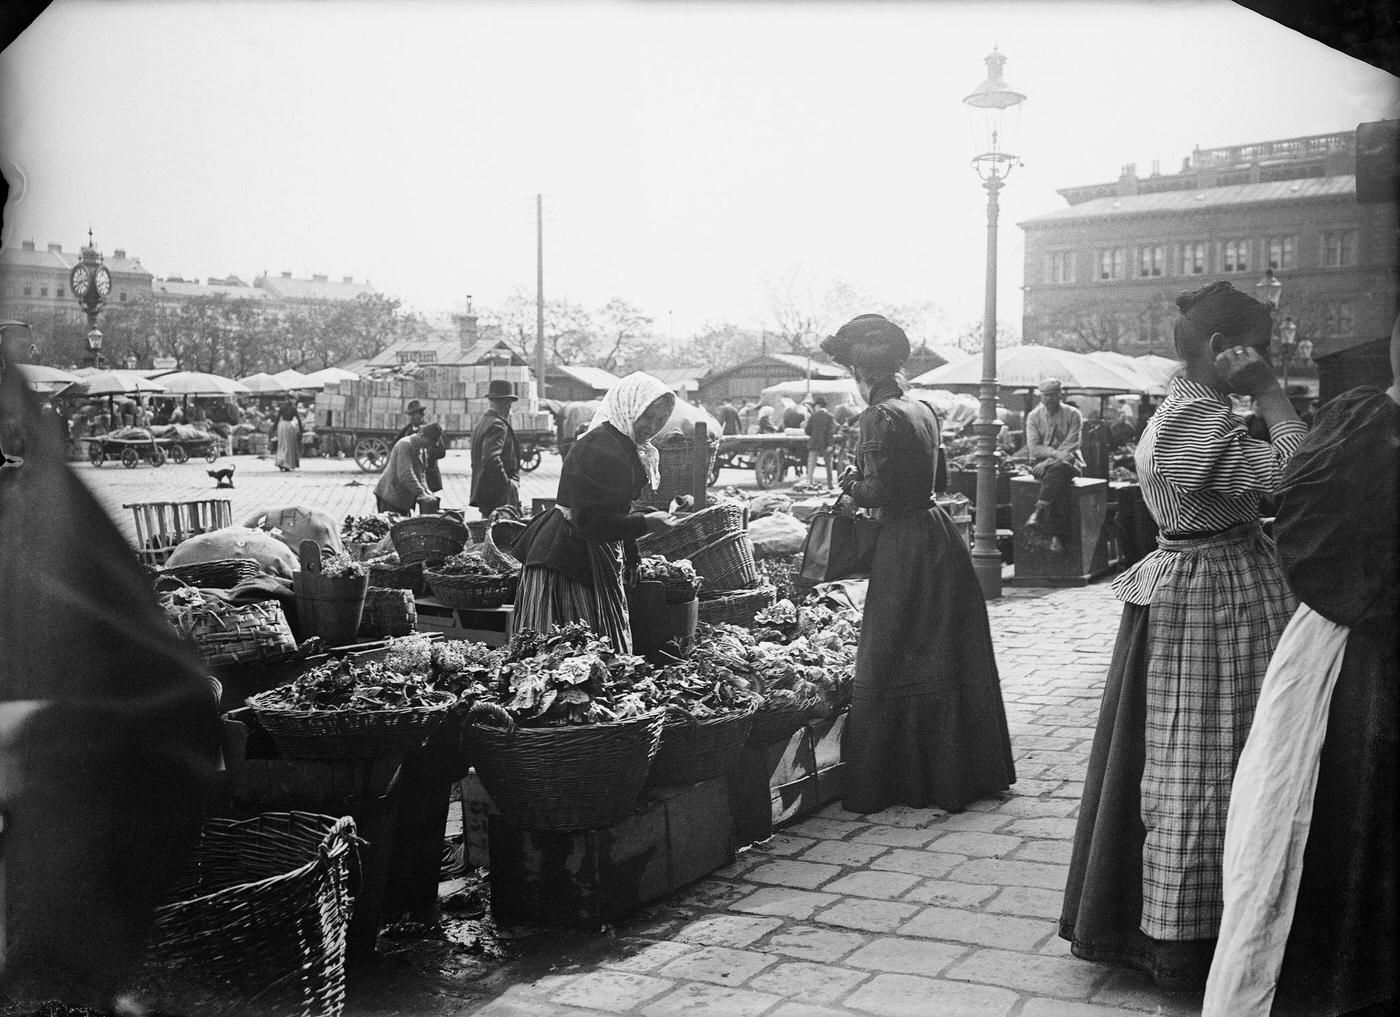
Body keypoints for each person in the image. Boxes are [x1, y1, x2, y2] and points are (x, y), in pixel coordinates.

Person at [1060, 280, 1307, 990]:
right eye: (1258, 344)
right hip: (1214, 593)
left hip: (1204, 579)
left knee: (1199, 752)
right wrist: (1273, 394)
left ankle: (1198, 917)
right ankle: (1196, 932)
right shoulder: (1197, 421)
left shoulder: (1188, 405)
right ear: (1224, 349)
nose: (1266, 354)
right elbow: (1301, 470)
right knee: (1213, 757)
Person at [1203, 319, 1399, 1017]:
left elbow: (1299, 492)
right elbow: (1304, 493)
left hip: (1355, 647)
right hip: (1351, 637)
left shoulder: (1367, 420)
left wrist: (1266, 392)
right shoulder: (1367, 422)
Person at [826, 313, 1015, 814]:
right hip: (939, 536)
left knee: (892, 648)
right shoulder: (923, 408)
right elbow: (943, 474)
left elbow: (880, 491)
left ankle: (903, 778)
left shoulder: (878, 414)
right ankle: (962, 771)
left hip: (904, 542)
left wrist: (849, 484)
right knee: (944, 649)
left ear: (860, 375)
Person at [511, 373, 676, 653]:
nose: (652, 426)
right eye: (647, 416)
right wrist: (645, 523)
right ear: (629, 407)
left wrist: (632, 555)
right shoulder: (600, 448)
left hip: (591, 546)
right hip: (566, 554)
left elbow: (617, 506)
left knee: (595, 649)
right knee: (568, 648)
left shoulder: (624, 444)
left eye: (660, 420)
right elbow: (590, 521)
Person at [1023, 378, 1083, 553]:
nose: (1048, 399)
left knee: (1060, 470)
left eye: (1051, 395)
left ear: (1060, 394)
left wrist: (1048, 461)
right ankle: (1057, 537)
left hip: (1068, 463)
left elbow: (1071, 445)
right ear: (1040, 397)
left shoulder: (1073, 414)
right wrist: (1056, 455)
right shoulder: (1034, 416)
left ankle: (1040, 512)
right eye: (1044, 396)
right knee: (1060, 481)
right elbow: (1034, 448)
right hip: (1042, 464)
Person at [470, 379, 522, 517]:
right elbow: (490, 459)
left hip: (485, 491)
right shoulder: (498, 425)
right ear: (506, 403)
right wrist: (507, 485)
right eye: (510, 405)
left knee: (487, 528)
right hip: (496, 493)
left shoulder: (483, 422)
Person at [374, 422, 442, 515]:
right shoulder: (405, 445)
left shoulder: (422, 448)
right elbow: (406, 474)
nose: (429, 446)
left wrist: (427, 490)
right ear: (422, 436)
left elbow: (421, 473)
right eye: (429, 443)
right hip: (390, 497)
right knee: (392, 526)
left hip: (403, 498)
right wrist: (421, 493)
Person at [397, 399, 444, 495]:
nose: (412, 417)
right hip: (412, 478)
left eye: (414, 414)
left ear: (422, 415)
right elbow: (394, 446)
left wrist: (426, 452)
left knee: (429, 505)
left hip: (429, 476)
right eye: (410, 415)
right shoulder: (406, 431)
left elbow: (442, 452)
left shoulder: (431, 430)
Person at [804, 395, 835, 488]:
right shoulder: (830, 417)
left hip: (813, 444)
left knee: (811, 464)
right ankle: (830, 484)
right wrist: (830, 444)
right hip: (825, 444)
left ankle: (808, 482)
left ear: (818, 406)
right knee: (828, 464)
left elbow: (807, 431)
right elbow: (831, 432)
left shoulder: (813, 416)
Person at [274, 398, 301, 471]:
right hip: (289, 426)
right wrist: (301, 430)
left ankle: (280, 462)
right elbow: (298, 419)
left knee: (281, 445)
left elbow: (277, 419)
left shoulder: (282, 408)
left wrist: (273, 429)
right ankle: (286, 464)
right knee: (288, 445)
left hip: (282, 426)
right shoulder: (293, 408)